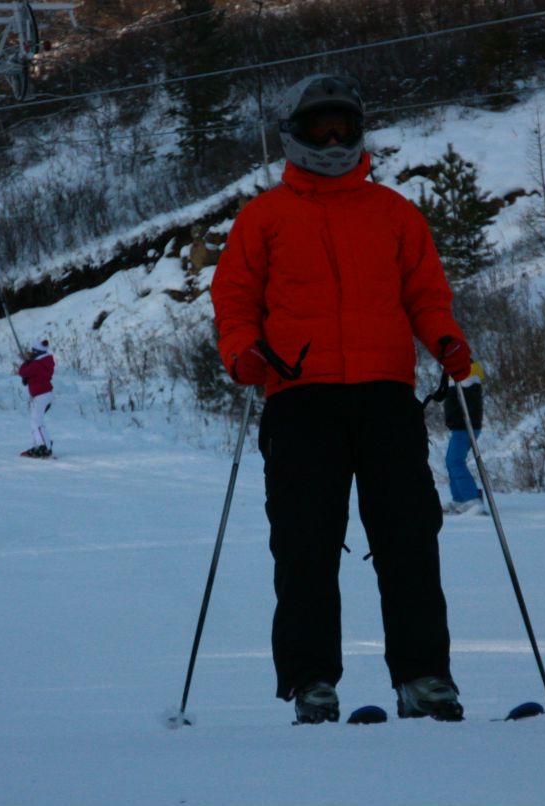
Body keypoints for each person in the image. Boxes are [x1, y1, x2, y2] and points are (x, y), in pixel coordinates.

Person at [211, 74, 474, 724]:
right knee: (304, 545)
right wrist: (241, 352)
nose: (332, 141)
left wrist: (446, 340)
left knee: (410, 539)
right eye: (319, 129)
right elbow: (235, 302)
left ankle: (424, 679)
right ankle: (311, 684)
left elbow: (426, 295)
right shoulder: (263, 217)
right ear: (294, 134)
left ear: (358, 133)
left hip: (387, 398)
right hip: (300, 400)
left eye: (343, 129)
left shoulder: (395, 213)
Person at [443, 360, 487, 515]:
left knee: (455, 461)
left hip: (465, 427)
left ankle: (471, 498)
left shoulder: (467, 377)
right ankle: (460, 498)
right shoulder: (457, 376)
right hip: (460, 427)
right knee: (451, 461)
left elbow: (467, 404)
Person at [18, 338, 54, 458]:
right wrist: (28, 377)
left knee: (36, 421)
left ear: (36, 352)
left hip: (41, 396)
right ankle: (44, 444)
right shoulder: (44, 361)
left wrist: (26, 363)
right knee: (38, 421)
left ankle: (43, 447)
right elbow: (32, 375)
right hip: (46, 394)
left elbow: (22, 372)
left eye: (32, 351)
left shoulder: (37, 364)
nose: (31, 353)